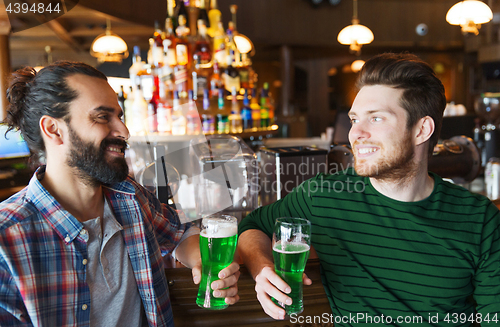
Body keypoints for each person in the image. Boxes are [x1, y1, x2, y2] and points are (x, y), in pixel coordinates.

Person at [238, 53, 500, 326]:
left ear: (422, 130)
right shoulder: (324, 196)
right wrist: (262, 268)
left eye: (375, 119)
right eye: (354, 119)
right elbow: (252, 226)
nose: (356, 133)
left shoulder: (480, 220)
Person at [0, 61, 240, 326]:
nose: (124, 131)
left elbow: (179, 233)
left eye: (120, 116)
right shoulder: (7, 240)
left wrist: (202, 263)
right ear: (54, 130)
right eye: (103, 117)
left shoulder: (128, 197)